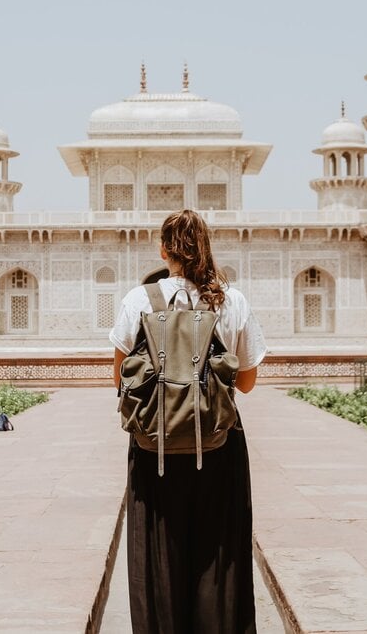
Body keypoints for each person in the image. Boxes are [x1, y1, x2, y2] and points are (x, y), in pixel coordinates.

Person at [109, 209, 267, 633]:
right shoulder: (231, 301)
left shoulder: (138, 300)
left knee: (157, 557)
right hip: (218, 444)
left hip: (154, 448)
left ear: (163, 250)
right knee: (218, 555)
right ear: (206, 248)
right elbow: (247, 383)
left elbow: (120, 379)